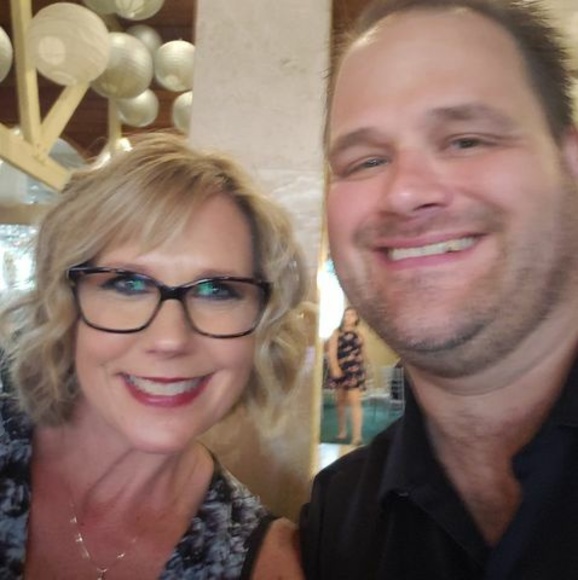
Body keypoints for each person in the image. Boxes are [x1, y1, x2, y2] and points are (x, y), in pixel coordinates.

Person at [300, 0, 578, 578]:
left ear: (570, 164)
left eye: (466, 140)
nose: (405, 193)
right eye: (366, 160)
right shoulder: (336, 523)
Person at [0, 132, 308, 579]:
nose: (170, 339)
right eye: (127, 284)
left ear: (262, 326)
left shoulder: (269, 565)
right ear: (63, 307)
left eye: (216, 290)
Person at [326, 306, 366, 445]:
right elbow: (331, 353)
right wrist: (335, 369)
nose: (349, 317)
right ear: (343, 317)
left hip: (355, 371)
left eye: (352, 314)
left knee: (355, 403)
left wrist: (364, 367)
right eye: (346, 314)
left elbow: (362, 352)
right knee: (340, 402)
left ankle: (357, 436)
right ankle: (342, 431)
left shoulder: (359, 334)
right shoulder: (337, 333)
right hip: (340, 369)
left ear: (356, 318)